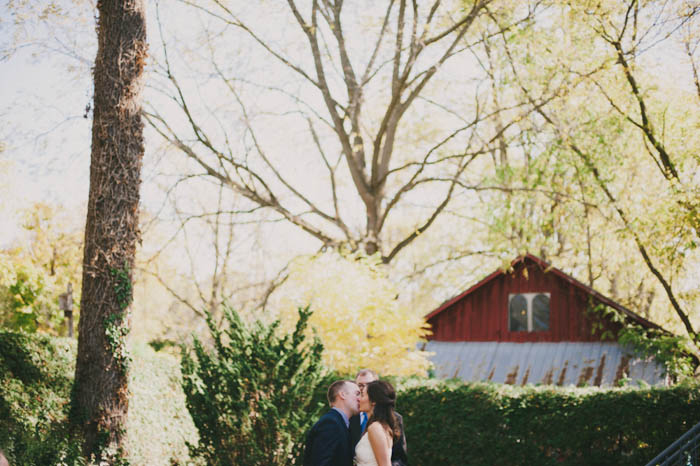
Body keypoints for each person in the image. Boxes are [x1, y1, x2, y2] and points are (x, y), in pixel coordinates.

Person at [350, 370, 408, 466]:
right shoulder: (379, 425)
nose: (359, 398)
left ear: (374, 400)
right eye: (360, 385)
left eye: (363, 395)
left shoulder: (375, 427)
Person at [304, 380, 360, 466]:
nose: (360, 398)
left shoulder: (341, 423)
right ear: (343, 395)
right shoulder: (330, 423)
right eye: (357, 394)